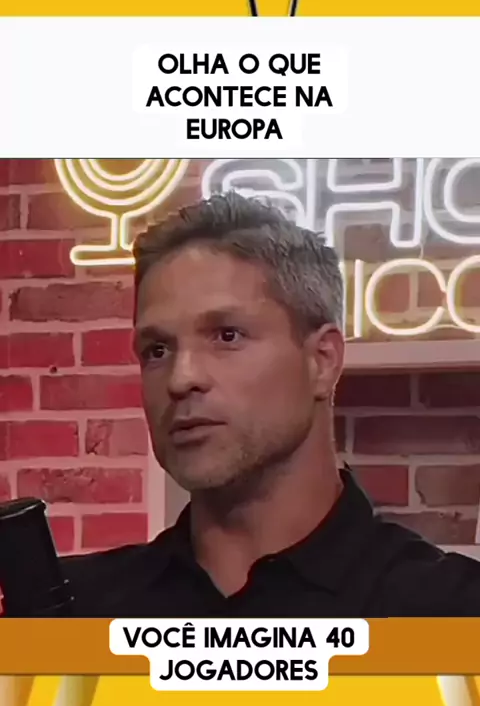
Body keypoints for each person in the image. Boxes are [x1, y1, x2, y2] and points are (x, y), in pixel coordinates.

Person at [60, 191, 480, 617]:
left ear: (322, 360)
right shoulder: (68, 614)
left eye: (227, 335)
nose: (181, 378)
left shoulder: (453, 615)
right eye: (157, 350)